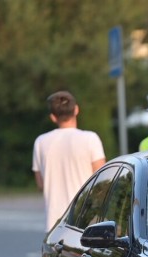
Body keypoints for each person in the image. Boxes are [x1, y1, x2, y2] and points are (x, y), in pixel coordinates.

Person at [33, 90, 106, 231]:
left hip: (54, 224)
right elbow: (102, 180)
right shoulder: (91, 139)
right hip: (85, 221)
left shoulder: (40, 142)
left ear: (53, 117)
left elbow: (40, 184)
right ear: (76, 110)